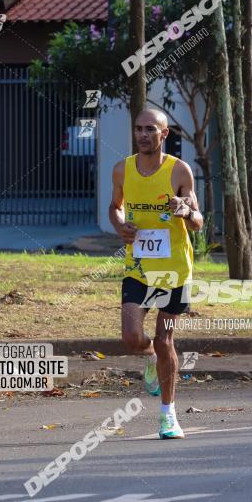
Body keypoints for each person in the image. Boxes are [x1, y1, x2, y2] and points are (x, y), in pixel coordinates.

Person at [109, 107, 203, 439]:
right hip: (138, 267)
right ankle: (149, 357)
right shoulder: (122, 170)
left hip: (174, 270)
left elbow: (198, 220)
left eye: (151, 129)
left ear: (164, 134)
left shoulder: (180, 171)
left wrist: (186, 210)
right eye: (139, 129)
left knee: (165, 340)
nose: (143, 134)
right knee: (132, 338)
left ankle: (168, 415)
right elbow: (115, 206)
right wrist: (120, 225)